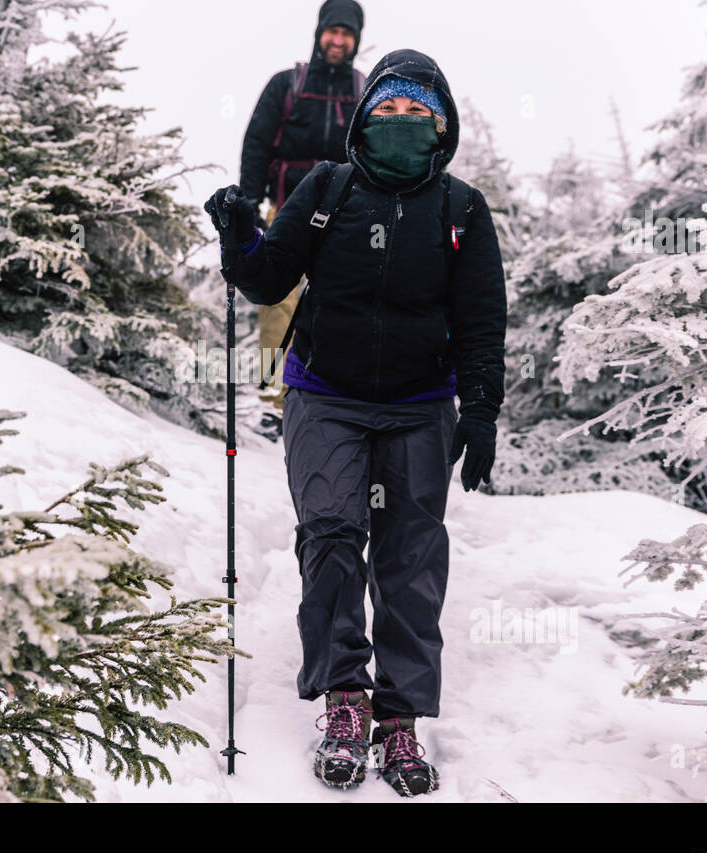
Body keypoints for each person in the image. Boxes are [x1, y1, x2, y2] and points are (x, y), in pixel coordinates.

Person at [205, 48, 507, 797]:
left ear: (443, 126)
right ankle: (344, 694)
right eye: (389, 108)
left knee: (409, 555)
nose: (402, 122)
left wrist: (482, 408)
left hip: (419, 406)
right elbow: (266, 278)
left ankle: (399, 717)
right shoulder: (327, 188)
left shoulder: (461, 208)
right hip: (325, 393)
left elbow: (481, 319)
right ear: (365, 116)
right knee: (334, 534)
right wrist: (239, 234)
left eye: (419, 112)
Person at [238, 0, 365, 435]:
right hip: (287, 208)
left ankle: (329, 395)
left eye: (347, 34)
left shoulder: (364, 91)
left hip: (346, 213)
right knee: (278, 302)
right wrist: (248, 205)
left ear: (356, 40)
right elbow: (256, 142)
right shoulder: (285, 85)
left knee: (344, 301)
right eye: (333, 31)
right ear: (319, 33)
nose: (338, 40)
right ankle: (273, 400)